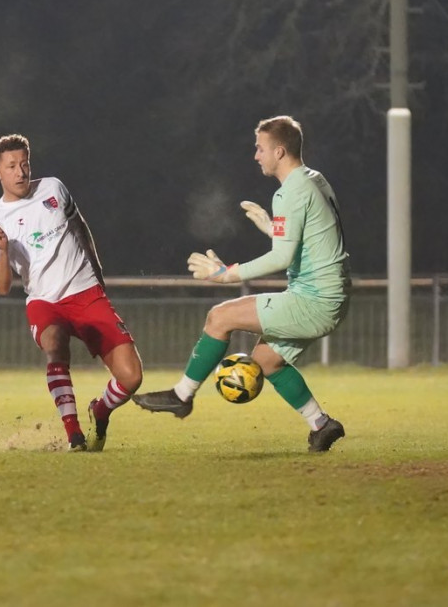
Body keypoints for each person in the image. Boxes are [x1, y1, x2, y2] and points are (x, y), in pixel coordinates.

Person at [133, 115, 350, 453]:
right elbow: (316, 236)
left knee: (220, 317)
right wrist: (272, 228)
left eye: (260, 148)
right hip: (330, 294)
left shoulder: (290, 192)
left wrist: (226, 274)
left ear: (279, 152)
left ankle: (181, 396)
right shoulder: (313, 179)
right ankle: (322, 425)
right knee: (266, 360)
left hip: (316, 298)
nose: (256, 155)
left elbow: (281, 259)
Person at [0, 134, 143, 451]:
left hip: (86, 293)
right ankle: (74, 435)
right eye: (11, 166)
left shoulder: (54, 188)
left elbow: (80, 226)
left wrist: (97, 272)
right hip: (45, 302)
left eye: (24, 164)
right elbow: (0, 287)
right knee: (54, 343)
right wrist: (2, 251)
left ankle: (100, 410)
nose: (20, 172)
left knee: (132, 378)